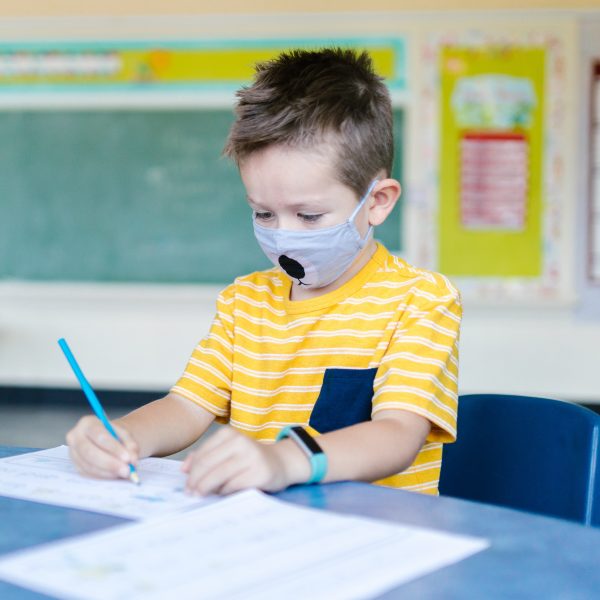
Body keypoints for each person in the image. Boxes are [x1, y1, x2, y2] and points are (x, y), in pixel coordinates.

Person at [67, 48, 461, 496]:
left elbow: (397, 435)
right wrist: (123, 436)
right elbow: (187, 406)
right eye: (264, 214)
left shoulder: (420, 299)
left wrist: (283, 459)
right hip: (263, 533)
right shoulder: (245, 301)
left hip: (374, 538)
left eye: (309, 216)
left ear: (377, 201)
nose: (285, 236)